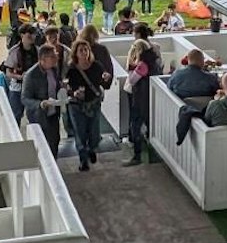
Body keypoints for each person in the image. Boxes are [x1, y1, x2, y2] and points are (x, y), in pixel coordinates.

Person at [63, 40, 112, 172]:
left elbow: (103, 81)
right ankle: (83, 159)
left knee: (94, 132)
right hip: (76, 106)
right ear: (76, 53)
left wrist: (106, 77)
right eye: (81, 50)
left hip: (93, 104)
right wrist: (74, 92)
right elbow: (65, 86)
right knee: (80, 133)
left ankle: (91, 149)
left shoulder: (96, 66)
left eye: (86, 49)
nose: (84, 52)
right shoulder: (72, 69)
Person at [21, 46, 65, 158]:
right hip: (39, 116)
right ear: (43, 58)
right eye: (53, 56)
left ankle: (53, 165)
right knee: (42, 144)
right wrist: (40, 104)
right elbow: (25, 99)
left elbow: (55, 86)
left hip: (54, 113)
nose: (56, 58)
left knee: (55, 140)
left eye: (56, 55)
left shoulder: (54, 69)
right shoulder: (30, 75)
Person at [123, 39, 161, 163]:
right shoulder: (153, 62)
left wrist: (130, 67)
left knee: (135, 126)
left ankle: (137, 156)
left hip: (140, 99)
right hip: (150, 98)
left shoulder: (142, 65)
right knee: (151, 127)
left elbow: (132, 80)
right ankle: (153, 156)